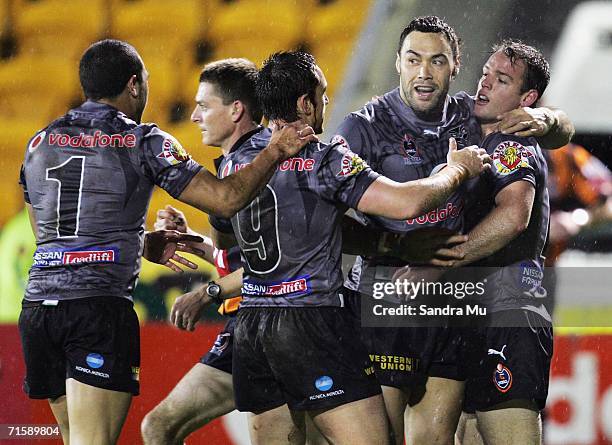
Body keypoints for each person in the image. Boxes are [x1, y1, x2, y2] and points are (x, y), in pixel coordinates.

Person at [17, 40, 316, 445]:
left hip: (39, 311)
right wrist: (275, 151)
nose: (192, 115)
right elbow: (226, 199)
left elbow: (52, 234)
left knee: (95, 436)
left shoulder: (39, 143)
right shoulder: (142, 140)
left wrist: (138, 242)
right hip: (97, 309)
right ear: (134, 85)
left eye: (202, 106)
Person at [201, 51, 489, 445]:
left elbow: (227, 236)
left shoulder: (237, 162)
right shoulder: (323, 159)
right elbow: (406, 203)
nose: (325, 105)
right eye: (321, 96)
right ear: (304, 104)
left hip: (252, 327)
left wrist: (384, 241)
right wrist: (458, 169)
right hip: (310, 320)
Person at [332, 16, 573, 445]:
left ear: (454, 64)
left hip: (474, 307)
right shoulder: (365, 127)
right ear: (398, 62)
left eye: (437, 60)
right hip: (396, 298)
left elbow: (553, 143)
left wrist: (545, 118)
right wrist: (389, 243)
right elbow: (327, 218)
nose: (424, 73)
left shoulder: (483, 120)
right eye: (414, 59)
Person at [140, 58, 290, 445]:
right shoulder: (237, 166)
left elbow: (280, 265)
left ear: (236, 109)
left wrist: (207, 293)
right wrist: (190, 239)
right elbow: (248, 256)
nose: (193, 116)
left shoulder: (253, 164)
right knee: (159, 426)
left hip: (278, 324)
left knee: (159, 427)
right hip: (255, 324)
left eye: (204, 106)